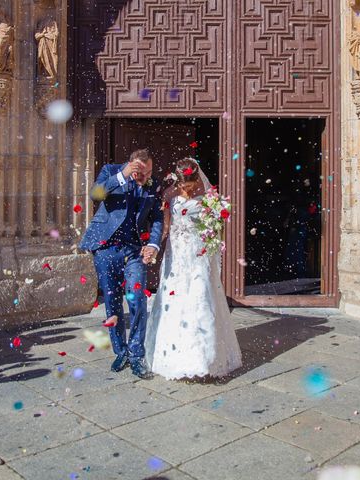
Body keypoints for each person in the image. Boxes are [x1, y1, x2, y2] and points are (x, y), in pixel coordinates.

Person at [144, 158, 242, 380]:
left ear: (197, 178)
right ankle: (174, 354)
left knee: (200, 296)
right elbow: (167, 225)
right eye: (184, 186)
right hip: (176, 253)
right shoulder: (169, 194)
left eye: (191, 185)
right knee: (174, 297)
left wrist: (213, 234)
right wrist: (155, 248)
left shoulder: (208, 196)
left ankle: (204, 357)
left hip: (198, 252)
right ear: (179, 181)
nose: (188, 189)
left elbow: (214, 225)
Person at [79, 149, 163, 379]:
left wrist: (153, 244)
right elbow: (95, 195)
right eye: (140, 171)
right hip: (106, 247)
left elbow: (156, 217)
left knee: (137, 298)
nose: (145, 176)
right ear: (131, 165)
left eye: (149, 172)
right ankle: (121, 351)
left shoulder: (153, 184)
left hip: (134, 249)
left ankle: (136, 354)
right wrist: (124, 174)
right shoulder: (111, 171)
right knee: (112, 300)